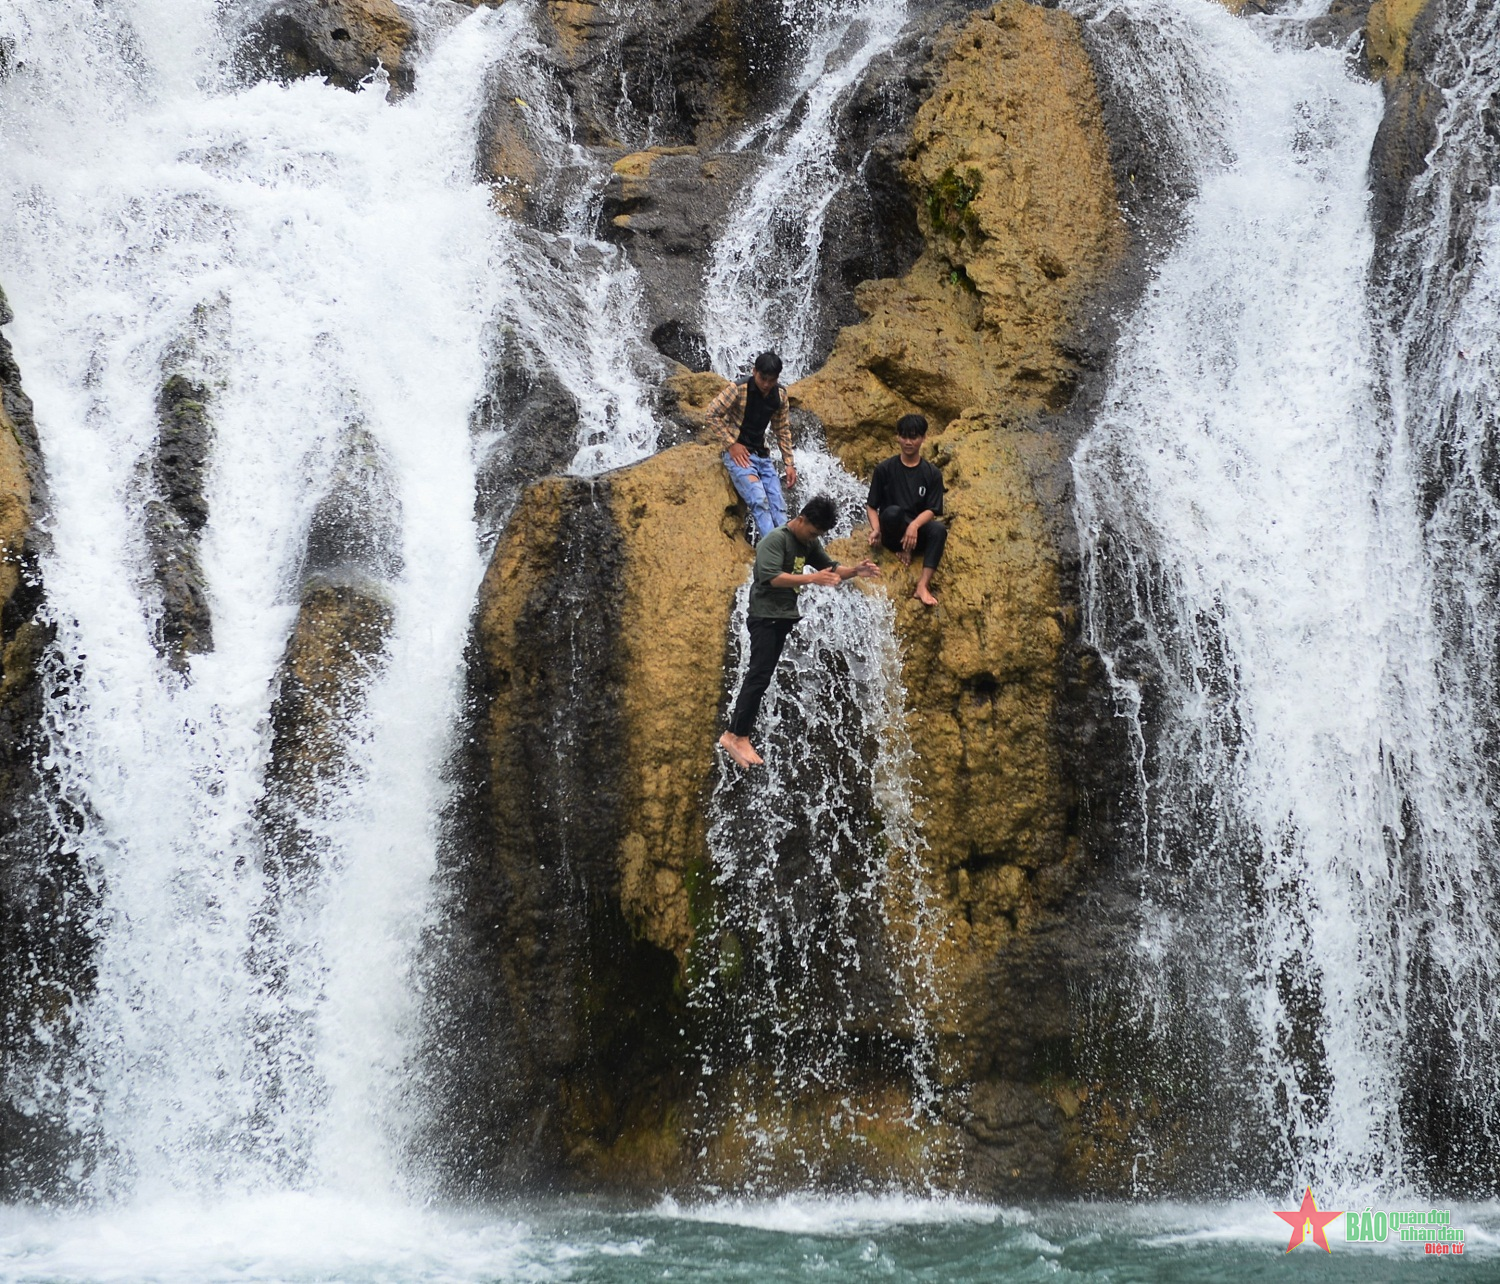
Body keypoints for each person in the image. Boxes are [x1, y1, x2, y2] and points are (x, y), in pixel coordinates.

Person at [718, 494, 879, 768]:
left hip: (781, 617)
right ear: (801, 519)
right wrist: (812, 578)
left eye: (818, 534)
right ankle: (735, 735)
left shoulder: (807, 541)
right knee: (757, 676)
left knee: (762, 676)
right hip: (765, 616)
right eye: (813, 531)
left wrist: (855, 571)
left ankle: (738, 734)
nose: (813, 538)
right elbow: (772, 576)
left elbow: (831, 568)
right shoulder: (776, 540)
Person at [706, 350, 798, 541]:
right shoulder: (738, 389)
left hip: (761, 456)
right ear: (754, 371)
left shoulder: (780, 395)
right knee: (759, 500)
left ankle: (786, 553)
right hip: (738, 455)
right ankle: (772, 555)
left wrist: (789, 463)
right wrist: (732, 444)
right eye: (762, 378)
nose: (766, 384)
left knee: (778, 506)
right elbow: (711, 413)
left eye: (771, 380)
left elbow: (782, 429)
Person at [866, 413, 947, 607]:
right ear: (897, 437)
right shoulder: (884, 469)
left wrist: (915, 526)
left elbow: (933, 509)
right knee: (893, 512)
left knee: (939, 530)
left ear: (923, 438)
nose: (908, 442)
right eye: (904, 437)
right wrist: (876, 529)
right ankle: (902, 550)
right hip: (892, 531)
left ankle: (922, 585)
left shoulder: (932, 474)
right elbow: (871, 506)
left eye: (913, 437)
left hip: (916, 532)